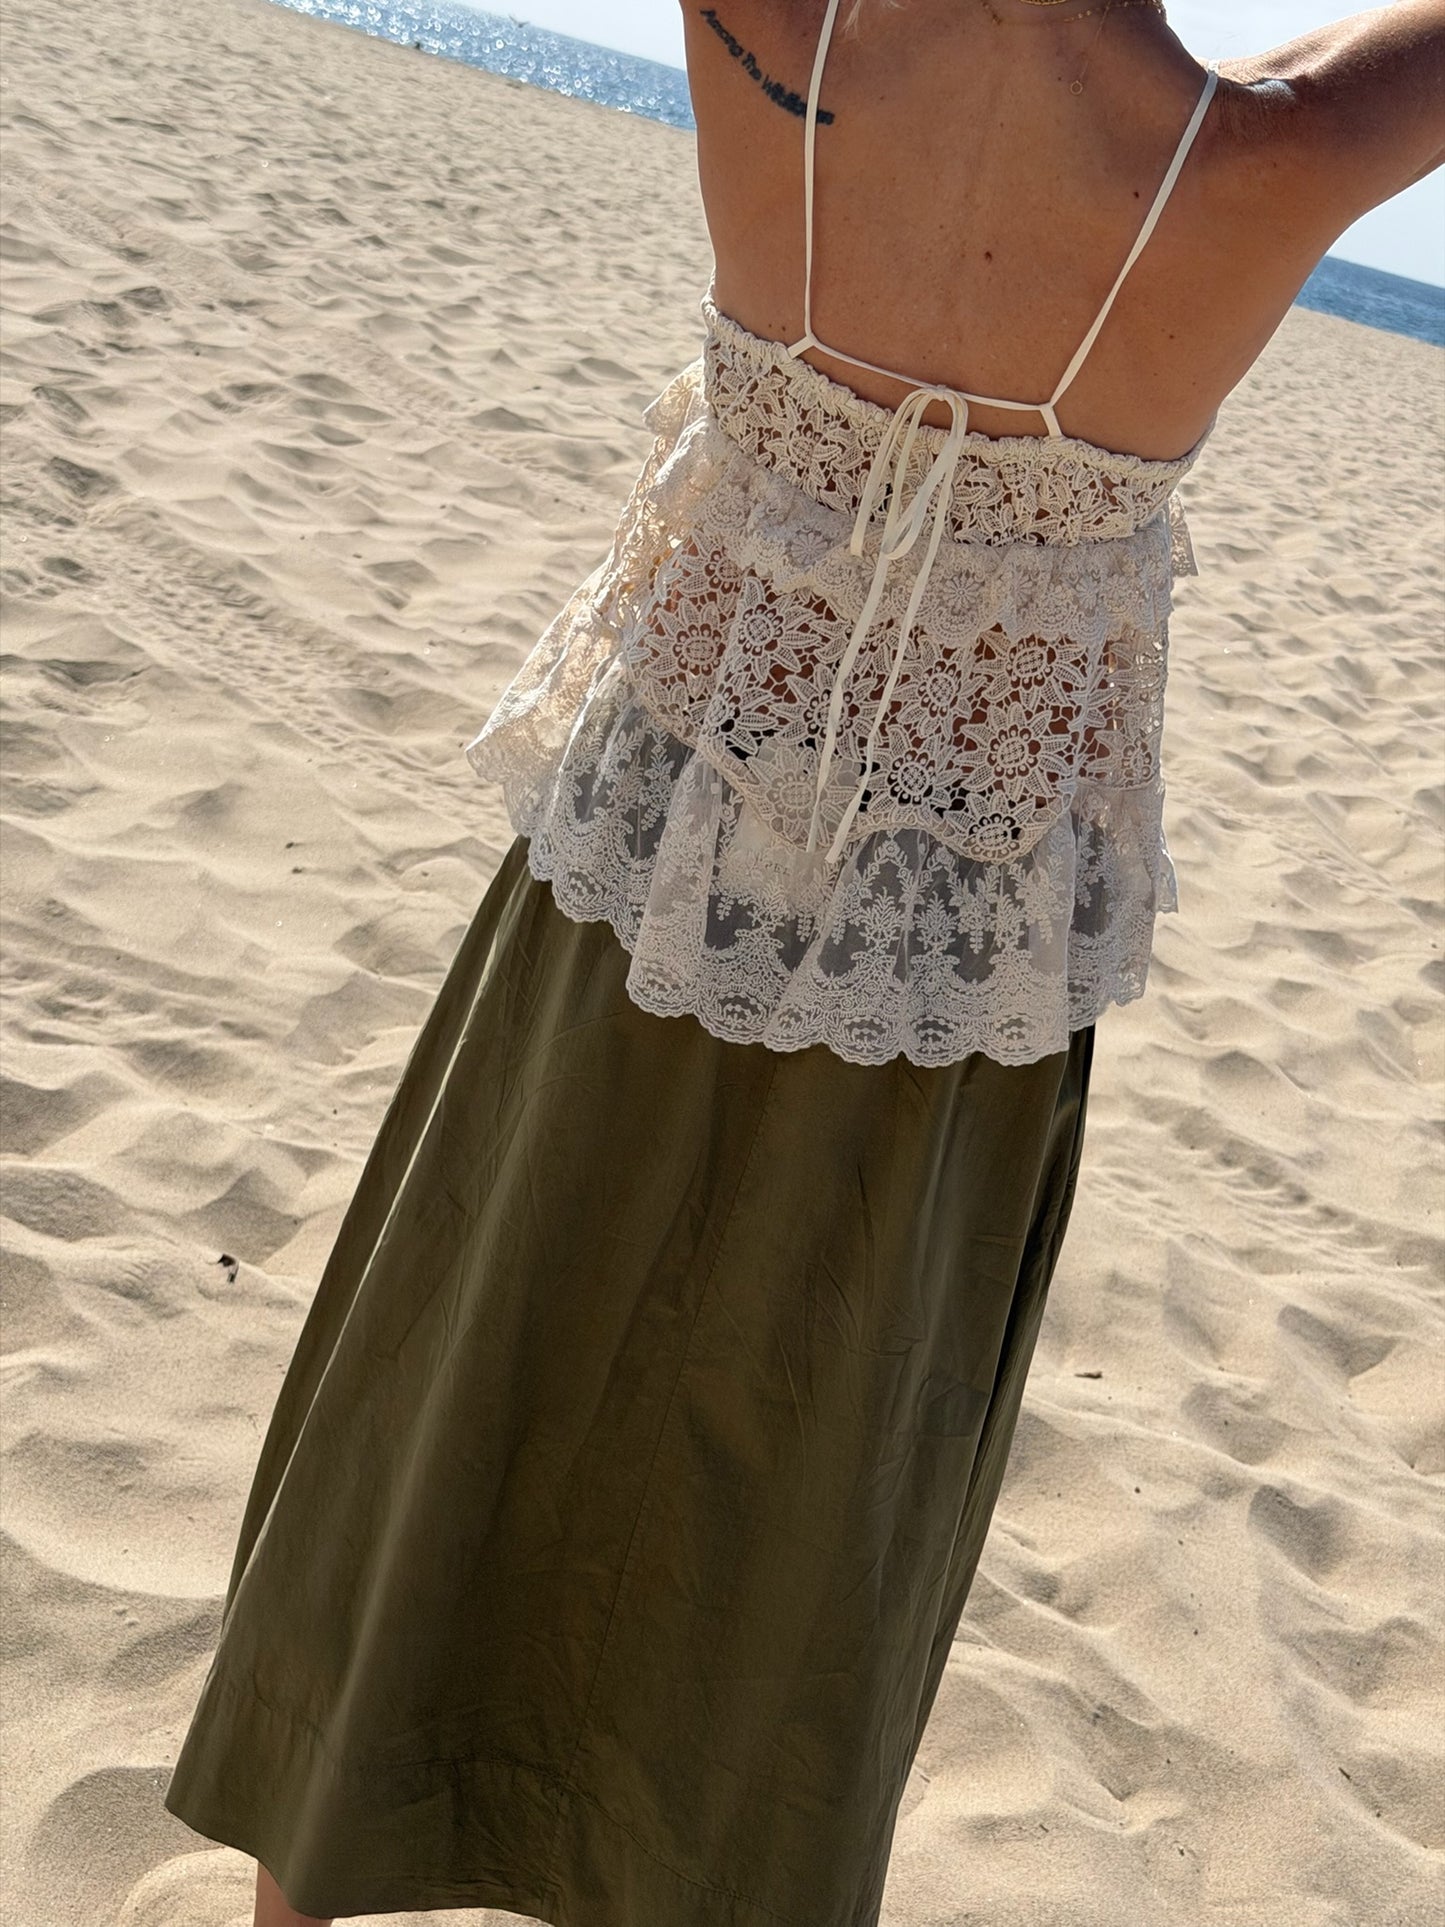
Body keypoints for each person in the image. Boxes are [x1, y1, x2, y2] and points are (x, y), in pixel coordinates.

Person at [161, 3, 1443, 1923]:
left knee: (462, 1385)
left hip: (641, 891)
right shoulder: (1261, 166)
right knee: (794, 1525)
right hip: (952, 979)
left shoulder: (779, 35)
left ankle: (314, 1881)